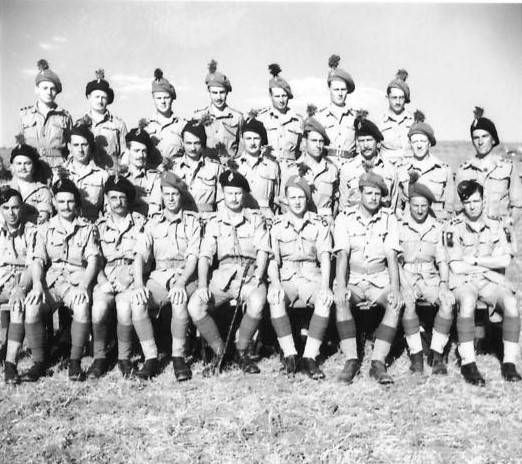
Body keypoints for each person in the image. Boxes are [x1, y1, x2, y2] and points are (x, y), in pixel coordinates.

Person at [187, 170, 270, 375]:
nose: (234, 198)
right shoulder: (214, 222)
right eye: (229, 193)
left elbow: (262, 250)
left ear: (244, 194)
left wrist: (258, 276)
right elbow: (205, 256)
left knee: (257, 301)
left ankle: (241, 351)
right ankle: (219, 351)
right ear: (222, 194)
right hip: (222, 277)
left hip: (249, 274)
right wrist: (203, 285)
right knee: (195, 305)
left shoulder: (255, 219)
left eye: (238, 193)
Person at [446, 180, 521, 385]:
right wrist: (488, 267)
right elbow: (457, 267)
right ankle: (468, 363)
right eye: (467, 202)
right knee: (468, 301)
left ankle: (509, 363)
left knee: (511, 302)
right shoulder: (454, 226)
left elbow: (505, 260)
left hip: (490, 282)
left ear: (484, 200)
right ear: (462, 204)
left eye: (476, 201)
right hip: (465, 281)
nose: (472, 206)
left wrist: (475, 261)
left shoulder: (498, 224)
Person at [25, 178, 100, 381]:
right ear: (54, 203)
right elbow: (38, 260)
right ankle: (39, 363)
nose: (66, 206)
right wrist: (37, 285)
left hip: (76, 280)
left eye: (70, 201)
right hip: (52, 281)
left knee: (81, 306)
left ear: (76, 202)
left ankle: (75, 362)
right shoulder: (44, 229)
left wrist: (84, 285)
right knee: (32, 307)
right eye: (61, 202)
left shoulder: (87, 228)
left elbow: (93, 260)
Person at [334, 172, 403, 385]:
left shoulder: (389, 218)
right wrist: (341, 286)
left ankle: (378, 362)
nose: (373, 198)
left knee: (394, 303)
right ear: (360, 193)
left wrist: (395, 289)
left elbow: (391, 256)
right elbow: (342, 255)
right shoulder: (344, 218)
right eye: (369, 193)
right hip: (353, 279)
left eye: (377, 194)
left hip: (378, 279)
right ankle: (351, 360)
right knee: (342, 300)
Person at [134, 172, 200, 381]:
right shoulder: (152, 223)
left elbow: (193, 259)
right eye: (167, 194)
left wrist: (181, 283)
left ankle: (178, 357)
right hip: (159, 276)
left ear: (181, 196)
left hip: (185, 275)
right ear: (161, 195)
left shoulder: (192, 222)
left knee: (179, 300)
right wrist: (138, 284)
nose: (171, 198)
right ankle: (151, 358)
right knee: (138, 302)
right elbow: (140, 256)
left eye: (175, 194)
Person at [91, 175, 158, 379]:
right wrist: (102, 280)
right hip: (106, 276)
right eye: (113, 197)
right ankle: (99, 357)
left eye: (122, 197)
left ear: (128, 199)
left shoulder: (140, 223)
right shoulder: (98, 226)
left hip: (131, 275)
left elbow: (146, 258)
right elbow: (93, 258)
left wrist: (128, 278)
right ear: (107, 199)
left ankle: (124, 357)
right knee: (99, 309)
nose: (118, 202)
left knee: (124, 308)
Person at [267, 175, 333, 379]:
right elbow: (272, 261)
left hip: (311, 277)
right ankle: (290, 355)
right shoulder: (276, 225)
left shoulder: (319, 223)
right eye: (293, 197)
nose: (297, 202)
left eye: (301, 197)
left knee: (324, 300)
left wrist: (325, 286)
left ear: (307, 199)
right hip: (286, 278)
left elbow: (325, 257)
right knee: (275, 298)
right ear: (286, 200)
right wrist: (276, 284)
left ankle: (310, 357)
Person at [398, 182, 455, 375]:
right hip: (407, 277)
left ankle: (437, 355)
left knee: (447, 302)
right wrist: (405, 285)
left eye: (424, 205)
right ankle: (416, 356)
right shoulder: (399, 226)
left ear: (429, 205)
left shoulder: (437, 227)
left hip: (430, 278)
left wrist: (444, 285)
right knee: (408, 303)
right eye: (415, 205)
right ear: (409, 204)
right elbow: (395, 261)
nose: (420, 210)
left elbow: (442, 260)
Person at [455, 108, 522, 226]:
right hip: (471, 233)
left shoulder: (508, 168)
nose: (480, 142)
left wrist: (507, 228)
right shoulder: (463, 170)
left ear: (493, 139)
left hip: (499, 232)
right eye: (476, 138)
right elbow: (458, 208)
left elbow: (517, 205)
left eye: (484, 136)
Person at [0, 189, 39, 384]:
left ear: (21, 208)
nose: (11, 213)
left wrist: (21, 287)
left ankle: (10, 364)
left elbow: (33, 265)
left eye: (15, 208)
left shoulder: (31, 231)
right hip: (1, 280)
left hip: (22, 280)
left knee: (17, 306)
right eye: (6, 208)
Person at [19, 59, 73, 183]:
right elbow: (20, 146)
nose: (49, 92)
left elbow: (71, 148)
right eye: (45, 88)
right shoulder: (24, 115)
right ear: (36, 89)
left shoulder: (65, 116)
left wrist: (65, 169)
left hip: (57, 170)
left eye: (52, 89)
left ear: (57, 92)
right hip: (32, 169)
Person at [397, 112, 454, 220]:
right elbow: (398, 207)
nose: (419, 145)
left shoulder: (444, 170)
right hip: (408, 226)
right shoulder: (401, 169)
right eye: (415, 142)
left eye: (423, 141)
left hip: (436, 225)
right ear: (410, 144)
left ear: (429, 143)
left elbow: (449, 209)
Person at [339, 116, 398, 213]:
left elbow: (393, 206)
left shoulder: (389, 169)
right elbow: (343, 207)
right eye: (361, 141)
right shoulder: (347, 169)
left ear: (378, 143)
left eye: (369, 140)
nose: (365, 145)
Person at [287, 116, 338, 219]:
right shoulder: (293, 169)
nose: (318, 145)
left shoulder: (331, 169)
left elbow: (336, 201)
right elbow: (285, 202)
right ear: (304, 142)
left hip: (325, 221)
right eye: (314, 141)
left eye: (321, 141)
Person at [193, 60, 243, 163]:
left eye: (222, 92)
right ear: (209, 92)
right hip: (206, 169)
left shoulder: (237, 117)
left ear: (227, 92)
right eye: (214, 93)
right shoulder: (198, 116)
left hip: (230, 167)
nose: (218, 97)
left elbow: (242, 146)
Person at [77, 69, 127, 169]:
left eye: (103, 97)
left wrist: (122, 171)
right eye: (97, 97)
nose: (100, 101)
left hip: (112, 173)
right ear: (89, 97)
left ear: (108, 99)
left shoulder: (118, 125)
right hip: (89, 173)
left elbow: (125, 153)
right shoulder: (80, 124)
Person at [171, 120, 223, 218]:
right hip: (181, 220)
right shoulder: (173, 167)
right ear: (182, 143)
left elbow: (222, 202)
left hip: (207, 221)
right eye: (188, 143)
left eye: (197, 143)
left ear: (202, 143)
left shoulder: (215, 168)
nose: (192, 148)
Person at [234, 117, 280, 218]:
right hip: (241, 217)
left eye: (256, 138)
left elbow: (276, 199)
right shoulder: (234, 165)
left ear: (262, 140)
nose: (252, 143)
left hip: (266, 217)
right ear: (242, 140)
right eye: (248, 138)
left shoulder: (272, 166)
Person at [257, 63, 304, 165]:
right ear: (270, 96)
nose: (281, 100)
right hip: (268, 168)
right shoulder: (261, 119)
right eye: (277, 96)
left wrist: (298, 164)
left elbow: (304, 150)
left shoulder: (298, 120)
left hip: (291, 169)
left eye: (284, 96)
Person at [316, 54, 356, 167]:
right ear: (329, 89)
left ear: (347, 91)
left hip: (349, 167)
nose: (340, 93)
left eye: (343, 89)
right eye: (336, 89)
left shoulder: (355, 117)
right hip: (326, 166)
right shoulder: (319, 117)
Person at [62, 123, 108, 222]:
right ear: (69, 146)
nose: (80, 150)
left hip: (92, 225)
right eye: (76, 145)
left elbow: (108, 210)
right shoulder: (60, 174)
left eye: (84, 145)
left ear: (90, 146)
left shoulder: (102, 176)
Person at [121, 123, 162, 217]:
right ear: (127, 151)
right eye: (136, 151)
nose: (140, 155)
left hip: (148, 222)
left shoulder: (155, 178)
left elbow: (154, 209)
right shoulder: (119, 177)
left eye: (144, 151)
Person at [8, 137, 53, 224]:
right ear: (12, 166)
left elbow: (43, 220)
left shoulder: (43, 192)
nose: (22, 167)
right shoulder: (6, 189)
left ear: (34, 166)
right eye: (18, 163)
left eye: (27, 163)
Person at [144, 68, 185, 162]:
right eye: (158, 98)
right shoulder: (146, 127)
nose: (163, 101)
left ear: (172, 99)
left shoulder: (182, 125)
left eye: (166, 97)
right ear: (153, 99)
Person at [378, 69, 414, 166]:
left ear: (406, 99)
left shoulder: (414, 122)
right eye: (394, 98)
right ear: (388, 97)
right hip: (386, 169)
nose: (397, 102)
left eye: (401, 98)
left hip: (409, 169)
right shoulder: (379, 122)